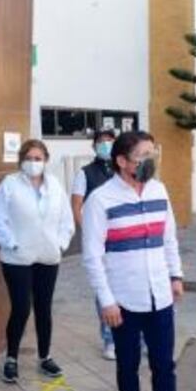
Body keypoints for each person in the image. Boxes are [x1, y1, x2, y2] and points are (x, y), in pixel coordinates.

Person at [82, 130, 188, 391]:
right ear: (122, 161)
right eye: (142, 155)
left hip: (160, 296)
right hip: (123, 302)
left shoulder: (159, 190)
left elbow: (169, 238)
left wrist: (176, 275)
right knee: (127, 366)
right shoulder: (100, 200)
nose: (150, 160)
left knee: (164, 367)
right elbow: (92, 257)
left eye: (151, 152)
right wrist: (106, 301)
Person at [0, 139, 75, 383]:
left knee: (44, 307)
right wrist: (12, 244)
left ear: (46, 160)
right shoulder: (10, 184)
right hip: (17, 258)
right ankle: (11, 358)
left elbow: (66, 221)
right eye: (28, 158)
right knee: (20, 308)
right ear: (21, 161)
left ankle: (45, 357)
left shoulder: (56, 185)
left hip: (48, 256)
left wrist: (60, 244)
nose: (33, 163)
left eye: (38, 158)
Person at [71, 129, 117, 360]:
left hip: (123, 240)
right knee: (104, 290)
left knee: (127, 287)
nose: (105, 145)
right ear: (94, 147)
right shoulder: (85, 173)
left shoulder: (124, 172)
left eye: (109, 141)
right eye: (101, 142)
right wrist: (89, 235)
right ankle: (109, 339)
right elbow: (76, 206)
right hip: (100, 243)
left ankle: (136, 337)